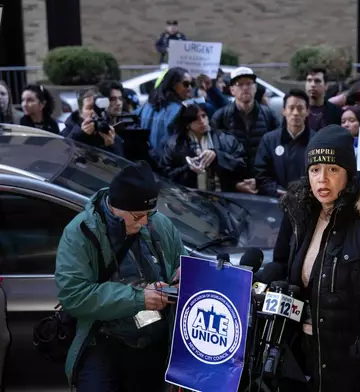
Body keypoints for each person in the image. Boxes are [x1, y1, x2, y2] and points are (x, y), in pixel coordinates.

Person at [277, 124, 360, 391]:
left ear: (349, 172)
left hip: (356, 371)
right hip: (306, 358)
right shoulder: (302, 217)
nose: (322, 179)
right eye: (315, 170)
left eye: (332, 169)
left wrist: (358, 357)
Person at [55, 161, 185, 391]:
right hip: (105, 341)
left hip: (154, 342)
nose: (144, 222)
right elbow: (73, 295)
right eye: (137, 216)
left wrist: (183, 276)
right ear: (115, 207)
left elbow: (180, 263)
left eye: (148, 214)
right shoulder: (80, 233)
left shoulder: (159, 224)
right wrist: (139, 298)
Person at [211, 67, 278, 193]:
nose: (245, 88)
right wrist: (234, 184)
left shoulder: (270, 116)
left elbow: (276, 154)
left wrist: (261, 182)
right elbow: (217, 157)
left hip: (262, 187)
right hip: (231, 189)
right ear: (232, 90)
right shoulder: (220, 117)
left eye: (249, 83)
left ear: (255, 87)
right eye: (240, 84)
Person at [159, 103, 246, 192]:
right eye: (196, 118)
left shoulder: (225, 139)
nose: (202, 121)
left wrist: (218, 156)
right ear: (187, 124)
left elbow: (242, 166)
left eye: (204, 116)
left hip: (222, 196)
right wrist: (188, 168)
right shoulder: (175, 144)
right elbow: (166, 176)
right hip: (189, 199)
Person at [255, 89, 314, 197]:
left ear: (307, 112)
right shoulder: (269, 140)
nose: (295, 113)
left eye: (300, 108)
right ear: (283, 111)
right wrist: (277, 191)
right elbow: (261, 174)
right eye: (291, 108)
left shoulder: (317, 141)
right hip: (275, 201)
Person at [138, 67, 193, 157]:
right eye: (186, 84)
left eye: (192, 84)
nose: (190, 88)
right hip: (165, 164)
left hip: (146, 161)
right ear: (173, 84)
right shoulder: (180, 111)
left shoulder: (146, 106)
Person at [61, 88, 125, 156]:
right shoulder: (67, 132)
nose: (94, 112)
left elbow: (120, 164)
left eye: (98, 108)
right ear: (80, 112)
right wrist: (80, 135)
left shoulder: (110, 134)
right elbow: (62, 156)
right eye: (90, 108)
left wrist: (110, 146)